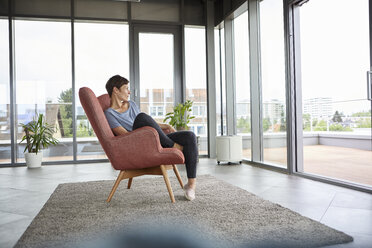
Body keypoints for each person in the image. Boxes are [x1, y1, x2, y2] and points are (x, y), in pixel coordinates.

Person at [104, 75, 198, 201]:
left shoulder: (131, 104)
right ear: (115, 90)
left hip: (155, 137)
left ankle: (191, 185)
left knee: (189, 136)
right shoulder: (110, 113)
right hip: (140, 141)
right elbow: (125, 136)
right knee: (141, 117)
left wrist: (166, 125)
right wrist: (144, 133)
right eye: (126, 88)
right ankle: (173, 146)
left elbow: (149, 122)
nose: (129, 92)